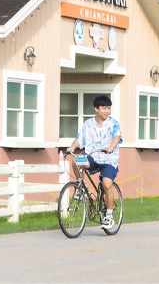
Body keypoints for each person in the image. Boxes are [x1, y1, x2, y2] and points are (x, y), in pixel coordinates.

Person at [67, 95, 122, 230]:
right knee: (76, 161)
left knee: (106, 184)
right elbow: (79, 139)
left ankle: (109, 216)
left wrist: (111, 147)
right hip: (92, 156)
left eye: (109, 108)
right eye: (104, 108)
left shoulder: (113, 123)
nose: (107, 111)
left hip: (109, 159)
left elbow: (117, 136)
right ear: (96, 109)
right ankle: (81, 186)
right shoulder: (88, 124)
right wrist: (72, 147)